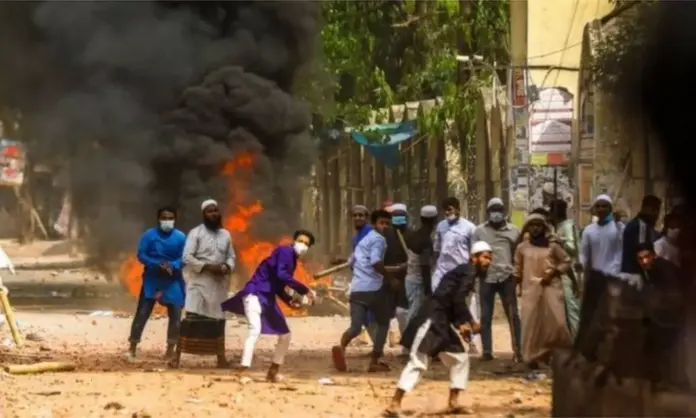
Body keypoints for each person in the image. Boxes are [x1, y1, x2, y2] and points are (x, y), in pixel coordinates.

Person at [385, 241, 493, 417]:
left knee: (460, 359)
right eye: (485, 257)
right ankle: (394, 404)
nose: (488, 262)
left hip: (442, 321)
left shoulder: (464, 272)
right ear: (474, 258)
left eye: (490, 259)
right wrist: (470, 322)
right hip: (431, 318)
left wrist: (460, 324)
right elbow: (457, 299)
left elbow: (451, 301)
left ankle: (453, 402)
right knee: (418, 361)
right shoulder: (469, 271)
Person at [221, 230, 316, 382]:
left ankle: (273, 371)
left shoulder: (292, 260)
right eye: (300, 241)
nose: (302, 245)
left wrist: (289, 301)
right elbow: (282, 275)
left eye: (306, 244)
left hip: (267, 298)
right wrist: (305, 290)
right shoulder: (285, 251)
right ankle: (243, 371)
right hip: (255, 293)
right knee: (255, 330)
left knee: (285, 335)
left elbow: (279, 286)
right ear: (294, 241)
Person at [332, 209, 405, 373]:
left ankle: (341, 348)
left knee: (356, 327)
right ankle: (375, 360)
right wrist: (391, 278)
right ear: (374, 224)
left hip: (357, 289)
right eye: (381, 223)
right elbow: (376, 262)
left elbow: (354, 263)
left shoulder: (362, 241)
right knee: (383, 322)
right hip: (374, 290)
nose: (384, 226)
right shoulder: (379, 240)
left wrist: (396, 269)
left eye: (387, 224)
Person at [178, 199, 236, 368]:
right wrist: (208, 267)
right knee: (191, 319)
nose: (214, 214)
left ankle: (221, 358)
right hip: (199, 283)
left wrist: (227, 266)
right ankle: (177, 357)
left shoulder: (226, 234)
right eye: (210, 211)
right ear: (204, 214)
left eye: (216, 211)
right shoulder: (195, 233)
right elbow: (187, 257)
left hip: (219, 285)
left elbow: (231, 256)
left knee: (219, 320)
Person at [513, 213, 574, 369]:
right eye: (532, 225)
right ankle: (532, 356)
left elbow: (566, 261)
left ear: (544, 228)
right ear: (527, 228)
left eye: (538, 225)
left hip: (551, 287)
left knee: (557, 322)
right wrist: (516, 284)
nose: (535, 228)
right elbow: (517, 269)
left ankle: (558, 353)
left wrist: (553, 273)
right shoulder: (522, 248)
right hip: (530, 289)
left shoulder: (553, 246)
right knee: (532, 323)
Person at [127, 206, 186, 360]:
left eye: (170, 218)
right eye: (164, 218)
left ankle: (170, 350)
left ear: (175, 219)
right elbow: (141, 255)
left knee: (175, 313)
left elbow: (185, 257)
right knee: (142, 312)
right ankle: (132, 347)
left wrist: (172, 265)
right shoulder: (149, 236)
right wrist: (157, 264)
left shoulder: (181, 237)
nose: (167, 221)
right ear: (159, 219)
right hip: (152, 279)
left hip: (172, 279)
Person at [472, 197, 522, 362]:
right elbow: (474, 255)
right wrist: (477, 271)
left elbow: (518, 253)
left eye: (499, 210)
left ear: (504, 211)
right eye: (493, 210)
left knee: (513, 315)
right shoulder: (479, 231)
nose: (496, 214)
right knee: (486, 316)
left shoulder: (514, 231)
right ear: (488, 212)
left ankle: (518, 350)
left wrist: (516, 273)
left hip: (507, 277)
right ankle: (487, 351)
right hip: (486, 277)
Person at [576, 194, 623, 350]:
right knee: (590, 314)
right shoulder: (589, 230)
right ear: (594, 209)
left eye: (604, 206)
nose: (601, 209)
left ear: (610, 208)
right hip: (595, 278)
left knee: (612, 314)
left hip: (613, 278)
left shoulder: (618, 228)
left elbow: (620, 252)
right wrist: (581, 263)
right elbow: (584, 254)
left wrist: (613, 270)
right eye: (598, 206)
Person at [549, 199, 582, 339]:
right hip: (558, 270)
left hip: (570, 271)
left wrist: (560, 240)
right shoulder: (556, 227)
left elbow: (573, 249)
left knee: (571, 307)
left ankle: (577, 339)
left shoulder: (568, 226)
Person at [431, 197, 476, 293]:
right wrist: (433, 268)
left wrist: (471, 275)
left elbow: (473, 253)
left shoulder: (469, 227)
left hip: (460, 272)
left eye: (449, 209)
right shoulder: (441, 226)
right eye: (445, 210)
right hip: (442, 271)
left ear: (458, 209)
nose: (447, 212)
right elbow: (437, 250)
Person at [403, 205, 438, 327]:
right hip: (418, 282)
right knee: (414, 313)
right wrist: (428, 289)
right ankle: (407, 338)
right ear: (435, 220)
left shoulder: (413, 235)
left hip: (410, 279)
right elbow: (425, 265)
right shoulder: (425, 240)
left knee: (414, 311)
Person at [383, 203, 410, 344]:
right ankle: (391, 335)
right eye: (396, 219)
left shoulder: (411, 235)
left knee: (402, 310)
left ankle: (406, 338)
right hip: (388, 277)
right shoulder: (384, 235)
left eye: (401, 219)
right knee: (388, 309)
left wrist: (406, 266)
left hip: (406, 278)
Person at [621, 195, 662, 284]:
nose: (656, 214)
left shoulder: (636, 224)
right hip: (635, 275)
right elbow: (642, 253)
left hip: (630, 273)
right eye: (654, 210)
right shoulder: (640, 226)